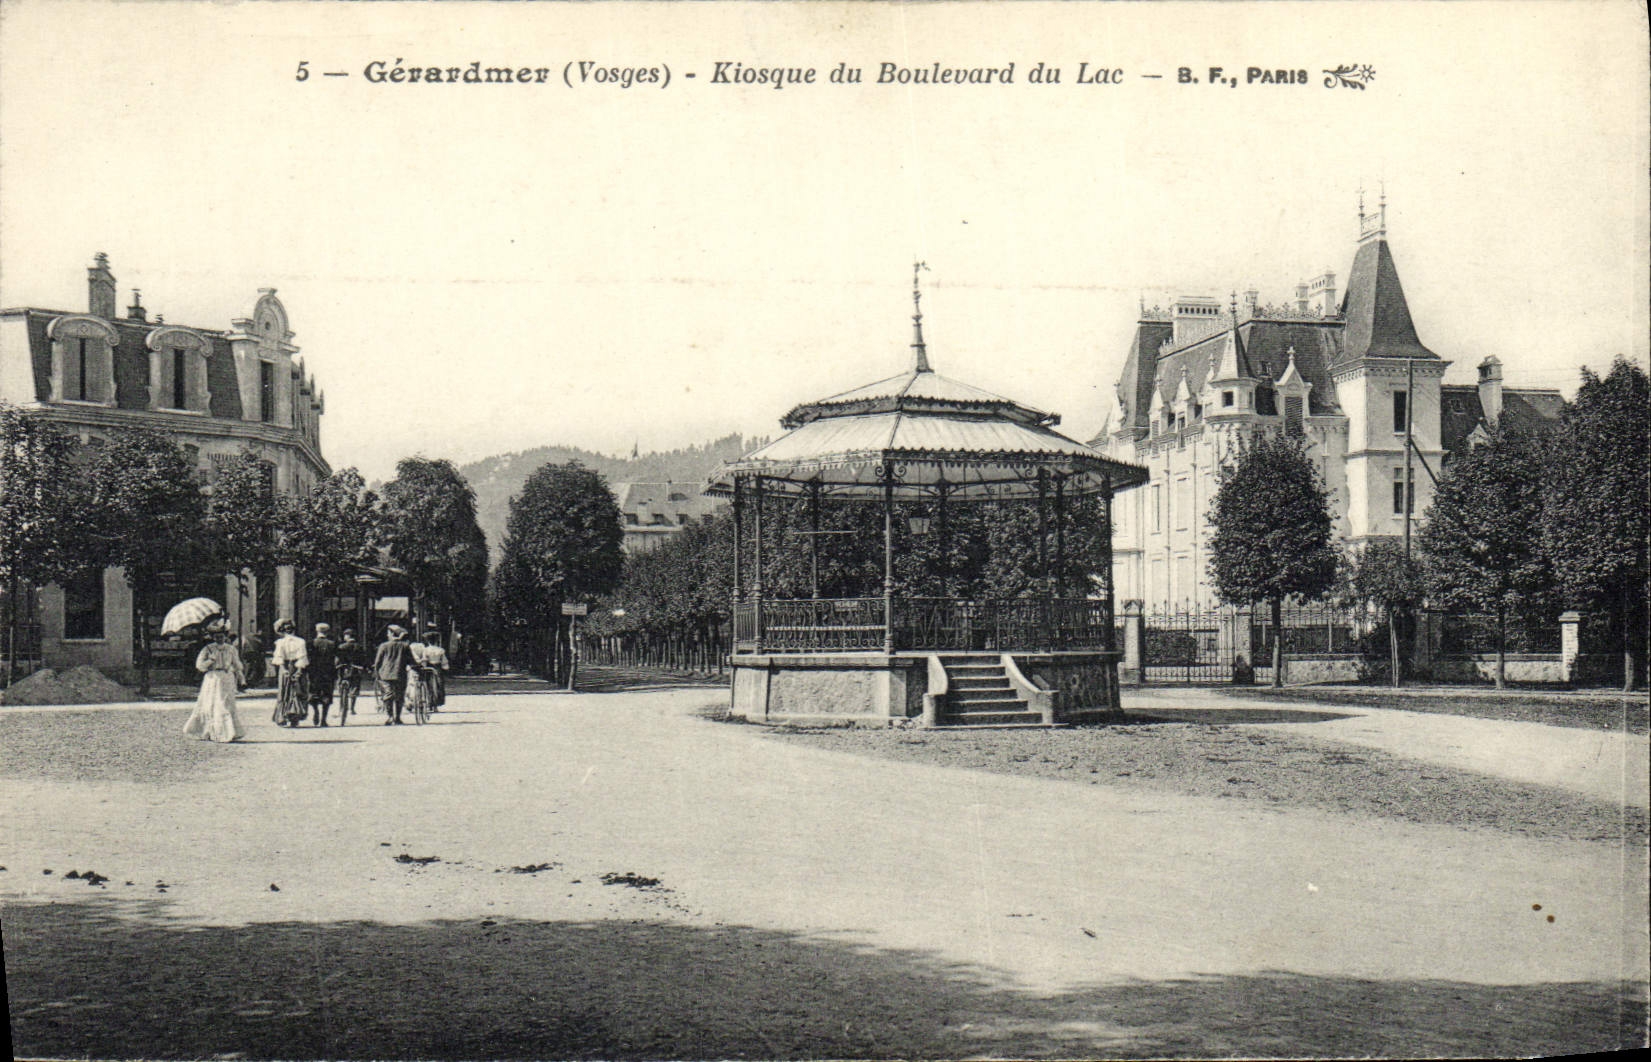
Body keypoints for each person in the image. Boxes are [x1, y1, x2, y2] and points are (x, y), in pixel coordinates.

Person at [182, 618, 245, 743]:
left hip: (226, 678)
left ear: (225, 636)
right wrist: (210, 660)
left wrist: (241, 677)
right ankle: (210, 731)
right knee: (211, 704)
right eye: (216, 637)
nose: (219, 639)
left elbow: (238, 665)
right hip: (212, 678)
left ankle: (227, 732)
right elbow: (199, 666)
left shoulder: (231, 649)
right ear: (213, 637)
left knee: (225, 704)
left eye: (221, 636)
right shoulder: (208, 649)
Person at [373, 624, 418, 725]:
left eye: (388, 633)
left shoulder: (383, 646)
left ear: (392, 633)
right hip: (400, 674)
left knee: (387, 695)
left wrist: (376, 673)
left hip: (385, 675)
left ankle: (390, 716)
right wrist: (417, 667)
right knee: (399, 696)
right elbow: (411, 661)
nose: (387, 635)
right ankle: (397, 717)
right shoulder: (405, 646)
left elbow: (378, 661)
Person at [270, 619, 309, 727]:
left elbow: (279, 657)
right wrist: (299, 671)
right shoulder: (301, 641)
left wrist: (284, 670)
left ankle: (282, 716)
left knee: (284, 691)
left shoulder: (280, 642)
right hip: (296, 667)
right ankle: (295, 716)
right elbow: (302, 657)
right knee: (297, 691)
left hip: (286, 667)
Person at [307, 623, 338, 726]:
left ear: (317, 631)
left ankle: (316, 711)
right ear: (327, 632)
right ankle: (323, 719)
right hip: (328, 673)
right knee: (327, 695)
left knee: (313, 693)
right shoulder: (332, 644)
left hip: (315, 673)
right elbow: (337, 658)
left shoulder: (312, 643)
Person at [334, 628, 366, 725]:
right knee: (354, 688)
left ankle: (341, 709)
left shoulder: (342, 646)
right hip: (356, 670)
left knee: (342, 689)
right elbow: (363, 659)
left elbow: (337, 660)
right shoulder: (359, 647)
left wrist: (336, 667)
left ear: (347, 636)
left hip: (344, 671)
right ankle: (352, 708)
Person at [415, 627, 450, 711]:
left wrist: (422, 666)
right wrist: (446, 668)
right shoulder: (440, 650)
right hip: (437, 668)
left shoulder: (425, 650)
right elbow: (444, 661)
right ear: (436, 641)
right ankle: (436, 705)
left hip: (428, 668)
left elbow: (424, 659)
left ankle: (429, 703)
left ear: (428, 641)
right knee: (438, 686)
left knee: (428, 685)